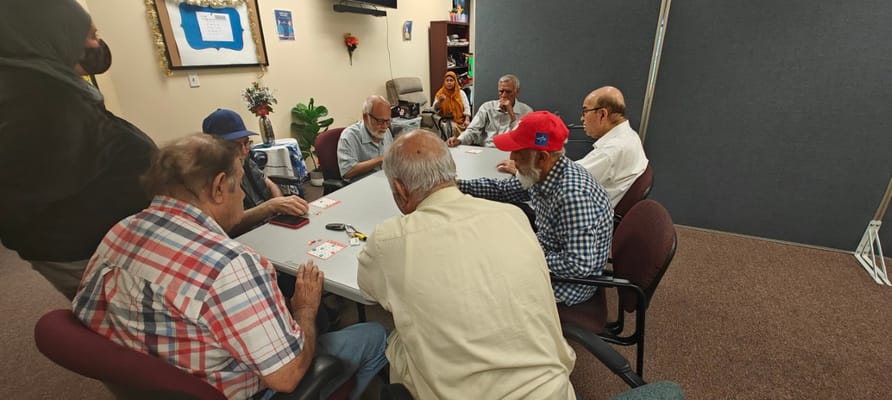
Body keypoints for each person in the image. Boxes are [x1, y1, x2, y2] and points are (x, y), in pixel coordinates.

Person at [73, 134, 387, 400]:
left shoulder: (118, 232)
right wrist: (304, 308)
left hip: (151, 380)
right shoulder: (231, 265)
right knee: (375, 334)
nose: (243, 196)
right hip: (240, 388)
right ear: (219, 187)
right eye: (239, 186)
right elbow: (288, 377)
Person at [357, 129, 577, 399]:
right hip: (554, 391)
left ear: (400, 190)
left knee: (397, 340)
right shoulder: (514, 216)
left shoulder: (388, 239)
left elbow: (368, 293)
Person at [0, 0, 157, 300]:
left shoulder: (48, 81)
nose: (96, 44)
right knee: (129, 317)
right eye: (90, 35)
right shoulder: (32, 102)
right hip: (85, 250)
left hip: (100, 245)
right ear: (55, 35)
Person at [458, 111, 613, 306]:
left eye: (519, 152)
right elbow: (504, 189)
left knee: (483, 284)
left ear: (542, 156)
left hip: (567, 285)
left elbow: (578, 264)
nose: (512, 157)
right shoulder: (544, 172)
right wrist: (458, 185)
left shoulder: (572, 195)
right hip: (547, 251)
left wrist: (526, 258)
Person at [202, 109, 309, 237]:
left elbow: (267, 181)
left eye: (246, 142)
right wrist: (270, 207)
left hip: (269, 225)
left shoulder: (245, 158)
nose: (243, 150)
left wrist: (279, 201)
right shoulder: (210, 177)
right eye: (234, 145)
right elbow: (226, 227)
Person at [576, 86, 649, 207]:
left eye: (585, 111)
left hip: (589, 215)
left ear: (602, 114)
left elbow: (565, 182)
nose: (582, 118)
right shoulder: (630, 136)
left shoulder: (611, 151)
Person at [446, 74, 533, 147]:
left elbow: (523, 139)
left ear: (517, 92)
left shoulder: (526, 111)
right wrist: (459, 140)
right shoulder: (487, 107)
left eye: (508, 92)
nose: (504, 95)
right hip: (487, 149)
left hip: (510, 152)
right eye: (501, 91)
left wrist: (511, 114)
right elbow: (472, 130)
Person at [337, 95, 394, 181]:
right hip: (361, 186)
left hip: (384, 180)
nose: (385, 126)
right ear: (365, 117)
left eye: (388, 121)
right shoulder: (349, 136)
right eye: (380, 121)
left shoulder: (386, 131)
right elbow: (347, 172)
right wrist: (381, 159)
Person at [432, 71, 471, 137]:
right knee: (452, 128)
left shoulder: (460, 93)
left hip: (460, 122)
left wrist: (467, 120)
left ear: (455, 82)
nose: (449, 82)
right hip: (446, 122)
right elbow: (434, 109)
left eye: (451, 80)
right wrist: (439, 102)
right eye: (447, 80)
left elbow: (467, 107)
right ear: (444, 82)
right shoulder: (440, 94)